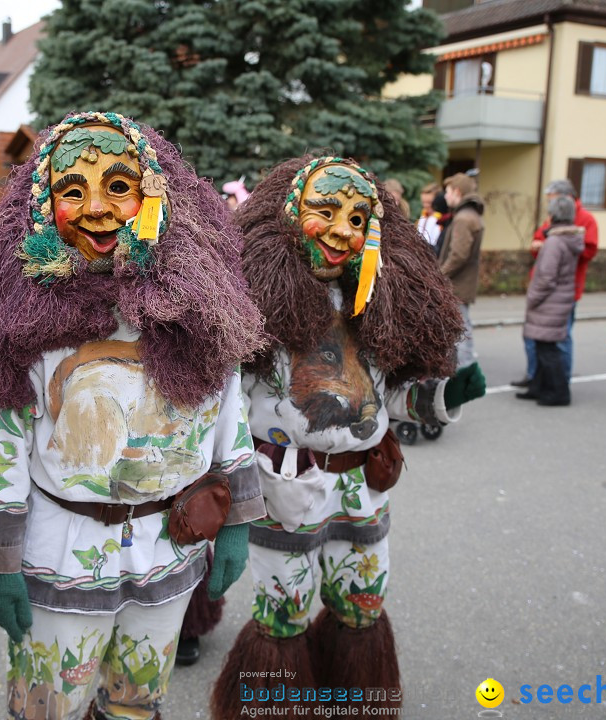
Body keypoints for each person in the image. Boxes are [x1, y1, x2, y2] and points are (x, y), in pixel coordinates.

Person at [0, 111, 266, 720]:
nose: (96, 207)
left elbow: (233, 419)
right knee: (47, 710)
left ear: (154, 194)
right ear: (44, 208)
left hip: (169, 550)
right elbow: (4, 449)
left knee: (137, 704)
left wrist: (235, 524)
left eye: (118, 187)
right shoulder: (25, 325)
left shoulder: (203, 312)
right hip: (61, 555)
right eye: (73, 190)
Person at [210, 156, 485, 717]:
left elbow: (389, 396)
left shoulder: (376, 299)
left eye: (359, 219)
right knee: (282, 612)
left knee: (361, 605)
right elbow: (224, 409)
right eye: (326, 210)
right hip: (284, 485)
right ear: (289, 214)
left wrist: (443, 394)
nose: (343, 229)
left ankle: (352, 701)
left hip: (361, 485)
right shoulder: (256, 303)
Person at [513, 179, 599, 388]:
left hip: (563, 289)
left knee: (560, 338)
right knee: (535, 337)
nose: (549, 206)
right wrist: (541, 246)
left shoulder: (586, 219)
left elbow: (587, 250)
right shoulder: (555, 219)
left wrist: (555, 248)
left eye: (552, 200)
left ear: (566, 197)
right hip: (551, 288)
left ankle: (560, 381)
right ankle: (536, 378)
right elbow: (539, 238)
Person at [517, 195, 584, 407]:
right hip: (558, 300)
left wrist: (532, 297)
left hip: (549, 302)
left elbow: (546, 276)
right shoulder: (567, 239)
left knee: (548, 350)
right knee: (543, 347)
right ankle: (539, 387)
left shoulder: (554, 242)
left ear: (553, 215)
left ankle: (558, 392)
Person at [438, 172, 486, 368]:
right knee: (460, 326)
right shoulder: (470, 216)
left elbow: (458, 255)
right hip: (462, 283)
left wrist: (439, 275)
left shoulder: (463, 219)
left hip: (457, 285)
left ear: (457, 191)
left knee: (461, 329)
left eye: (447, 191)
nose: (446, 196)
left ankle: (464, 369)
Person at [415, 181, 441, 248]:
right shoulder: (423, 215)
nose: (426, 206)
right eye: (423, 202)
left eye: (429, 203)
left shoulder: (439, 219)